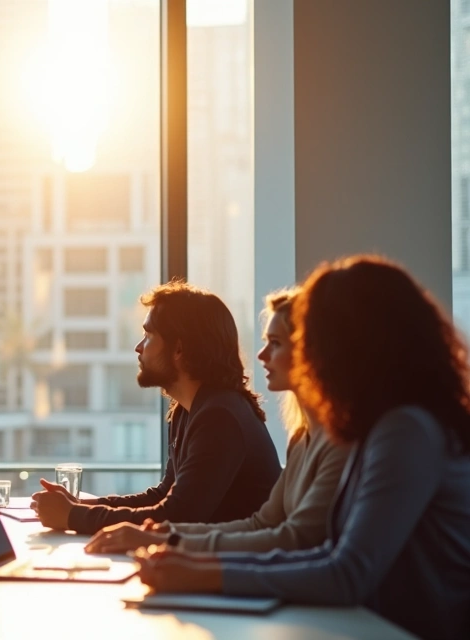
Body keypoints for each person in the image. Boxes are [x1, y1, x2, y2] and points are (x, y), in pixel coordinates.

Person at [136, 257, 470, 640]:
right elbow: (320, 550)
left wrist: (207, 572)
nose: (306, 353)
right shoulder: (379, 427)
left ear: (353, 344)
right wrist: (191, 556)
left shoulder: (406, 430)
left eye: (314, 338)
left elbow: (346, 572)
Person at [85, 289, 351, 554]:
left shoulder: (220, 415)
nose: (261, 355)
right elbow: (262, 524)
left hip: (262, 580)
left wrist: (166, 542)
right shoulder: (299, 438)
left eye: (276, 343)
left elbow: (181, 513)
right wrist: (82, 507)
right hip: (251, 571)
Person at [31, 281, 281, 535]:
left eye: (149, 336)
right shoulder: (187, 409)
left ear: (179, 349)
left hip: (234, 567)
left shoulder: (219, 417)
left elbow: (175, 516)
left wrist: (73, 516)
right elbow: (163, 496)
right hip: (207, 560)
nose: (138, 347)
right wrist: (80, 505)